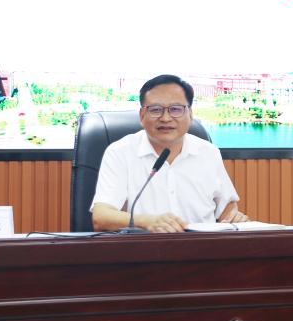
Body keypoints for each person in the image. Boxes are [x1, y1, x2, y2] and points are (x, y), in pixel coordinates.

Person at [91, 74, 248, 233]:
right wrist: (147, 222)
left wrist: (234, 218)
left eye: (175, 109)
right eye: (156, 110)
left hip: (201, 246)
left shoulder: (208, 153)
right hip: (144, 246)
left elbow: (227, 208)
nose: (166, 118)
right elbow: (101, 217)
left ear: (190, 114)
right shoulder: (120, 153)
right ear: (142, 115)